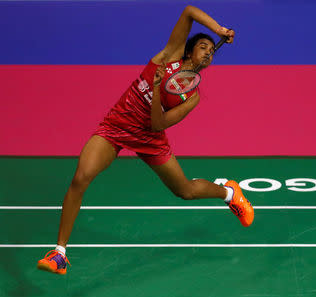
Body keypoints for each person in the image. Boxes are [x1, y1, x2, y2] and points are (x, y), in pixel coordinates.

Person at [37, 5, 254, 275]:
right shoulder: (168, 56)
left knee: (184, 191)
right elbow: (188, 11)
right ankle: (59, 254)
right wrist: (219, 30)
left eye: (211, 51)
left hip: (150, 138)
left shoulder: (193, 96)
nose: (208, 52)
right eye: (202, 46)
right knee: (81, 177)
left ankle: (229, 192)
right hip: (117, 125)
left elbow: (158, 123)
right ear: (188, 50)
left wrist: (154, 87)